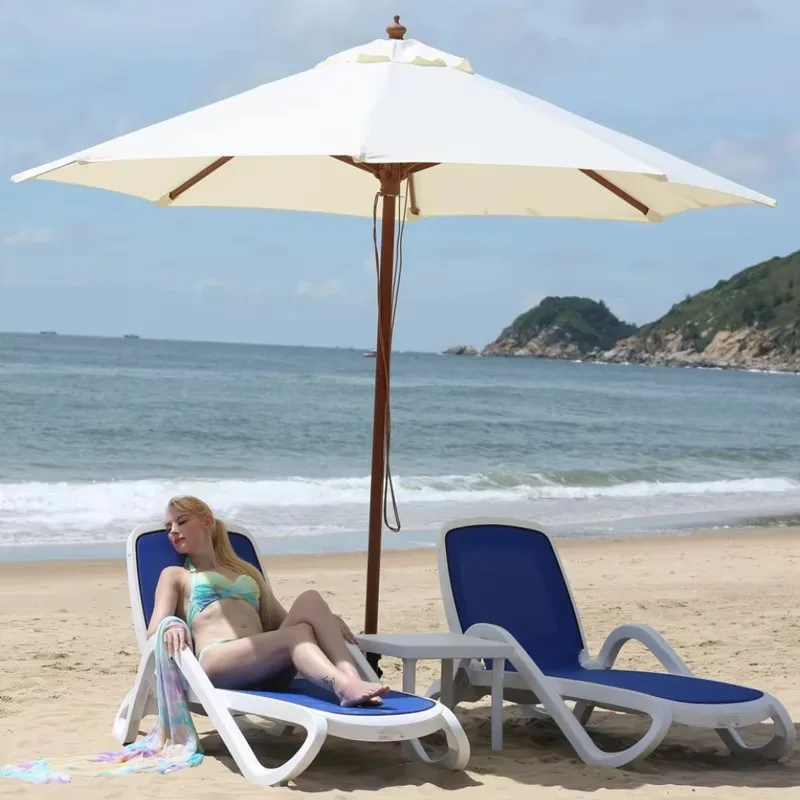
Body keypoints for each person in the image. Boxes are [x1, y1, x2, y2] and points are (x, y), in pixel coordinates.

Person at [147, 495, 389, 707]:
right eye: (169, 527)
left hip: (266, 664)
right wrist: (172, 624)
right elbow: (153, 631)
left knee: (310, 600)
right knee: (296, 635)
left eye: (182, 521)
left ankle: (350, 676)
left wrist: (326, 621)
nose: (173, 531)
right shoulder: (175, 575)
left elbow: (283, 621)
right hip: (217, 661)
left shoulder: (246, 571)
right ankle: (342, 687)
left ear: (207, 521)